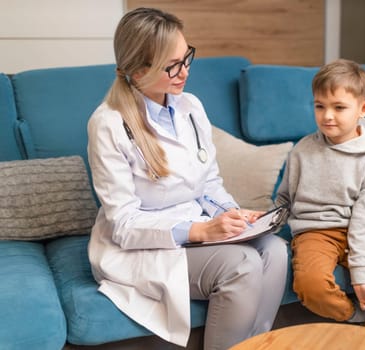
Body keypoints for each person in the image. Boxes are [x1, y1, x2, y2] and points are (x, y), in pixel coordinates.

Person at [86, 7, 288, 350]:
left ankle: (253, 345)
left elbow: (208, 182)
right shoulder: (108, 124)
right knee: (242, 265)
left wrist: (232, 213)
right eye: (172, 65)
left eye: (186, 57)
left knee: (276, 250)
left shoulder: (190, 106)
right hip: (141, 244)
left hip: (197, 224)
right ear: (137, 71)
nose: (185, 72)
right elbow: (123, 223)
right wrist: (201, 230)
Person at [275, 59, 365, 331]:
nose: (327, 115)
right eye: (320, 106)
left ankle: (362, 339)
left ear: (362, 109)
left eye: (339, 107)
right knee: (310, 286)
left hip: (360, 231)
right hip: (313, 232)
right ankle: (350, 322)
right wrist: (266, 223)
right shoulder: (301, 151)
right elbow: (285, 199)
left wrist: (360, 277)